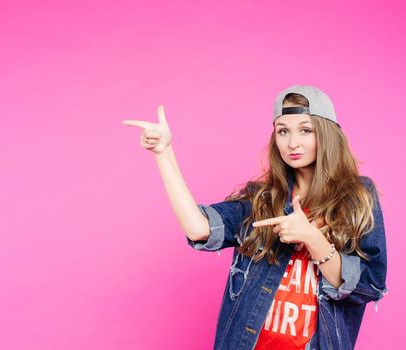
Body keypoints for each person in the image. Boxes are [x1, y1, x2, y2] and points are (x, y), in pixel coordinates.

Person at [122, 85, 388, 350]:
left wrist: (312, 238)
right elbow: (199, 229)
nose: (292, 142)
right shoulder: (260, 200)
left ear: (327, 134)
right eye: (283, 131)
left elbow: (369, 287)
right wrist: (163, 154)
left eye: (305, 130)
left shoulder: (357, 197)